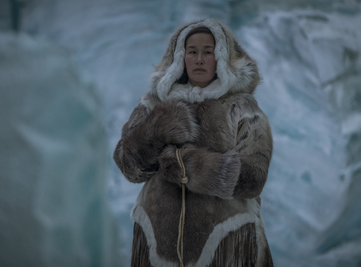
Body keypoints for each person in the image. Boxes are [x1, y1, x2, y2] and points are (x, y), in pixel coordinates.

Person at [113, 19, 273, 267]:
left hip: (227, 244)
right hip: (155, 242)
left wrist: (191, 167)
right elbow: (127, 165)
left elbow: (254, 177)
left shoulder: (243, 108)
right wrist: (157, 129)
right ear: (180, 57)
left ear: (220, 57)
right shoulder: (152, 105)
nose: (199, 59)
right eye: (192, 51)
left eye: (208, 52)